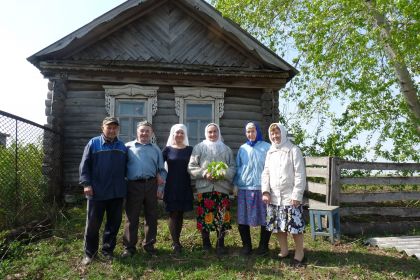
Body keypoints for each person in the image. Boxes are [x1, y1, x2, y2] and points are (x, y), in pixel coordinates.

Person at [79, 117, 127, 265]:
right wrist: (86, 184)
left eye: (114, 128)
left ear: (117, 129)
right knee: (93, 224)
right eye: (109, 127)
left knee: (113, 224)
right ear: (103, 128)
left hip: (116, 193)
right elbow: (84, 165)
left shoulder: (122, 146)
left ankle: (107, 251)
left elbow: (127, 168)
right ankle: (90, 254)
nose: (112, 130)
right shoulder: (93, 143)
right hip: (97, 192)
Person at [262, 123, 307, 267]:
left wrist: (297, 195)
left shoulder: (293, 150)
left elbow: (300, 174)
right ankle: (284, 250)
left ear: (283, 133)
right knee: (278, 227)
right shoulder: (270, 152)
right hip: (274, 197)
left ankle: (299, 253)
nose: (275, 136)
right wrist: (266, 191)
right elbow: (266, 173)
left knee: (295, 227)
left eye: (277, 133)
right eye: (273, 134)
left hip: (290, 196)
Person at [188, 123, 236, 255]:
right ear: (206, 133)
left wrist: (223, 173)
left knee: (221, 217)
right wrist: (204, 173)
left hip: (222, 188)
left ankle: (220, 244)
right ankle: (206, 244)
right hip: (205, 188)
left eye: (215, 132)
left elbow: (232, 167)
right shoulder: (199, 148)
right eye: (210, 132)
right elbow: (191, 167)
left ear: (218, 133)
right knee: (205, 217)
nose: (213, 134)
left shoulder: (226, 149)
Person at [122, 121, 166, 257]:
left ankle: (149, 245)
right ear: (137, 132)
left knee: (151, 216)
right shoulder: (127, 147)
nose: (144, 133)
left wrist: (161, 188)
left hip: (151, 184)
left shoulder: (156, 149)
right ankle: (129, 247)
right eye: (142, 130)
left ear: (151, 133)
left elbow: (162, 170)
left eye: (147, 131)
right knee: (131, 216)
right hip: (133, 185)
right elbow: (121, 168)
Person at [234, 121, 272, 256]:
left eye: (253, 131)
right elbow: (238, 167)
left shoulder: (267, 147)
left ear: (258, 131)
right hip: (245, 188)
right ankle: (246, 246)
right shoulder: (242, 148)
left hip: (262, 188)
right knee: (243, 217)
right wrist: (235, 185)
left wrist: (269, 187)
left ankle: (263, 246)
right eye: (248, 131)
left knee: (265, 218)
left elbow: (271, 168)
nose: (250, 134)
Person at [162, 124, 193, 254]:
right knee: (173, 213)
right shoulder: (167, 150)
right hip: (171, 184)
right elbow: (160, 167)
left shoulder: (190, 149)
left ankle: (177, 240)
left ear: (184, 135)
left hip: (185, 184)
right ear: (172, 134)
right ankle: (175, 243)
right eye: (177, 132)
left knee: (180, 213)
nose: (179, 135)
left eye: (182, 133)